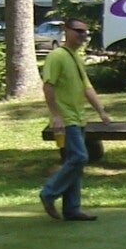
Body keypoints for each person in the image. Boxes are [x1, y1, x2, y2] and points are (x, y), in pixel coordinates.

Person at [39, 17, 113, 223]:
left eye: (85, 33)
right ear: (66, 30)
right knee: (79, 157)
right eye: (78, 31)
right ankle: (49, 193)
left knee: (75, 163)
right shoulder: (57, 56)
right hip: (65, 120)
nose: (83, 36)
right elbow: (48, 85)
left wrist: (101, 111)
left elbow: (87, 87)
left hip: (79, 118)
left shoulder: (76, 57)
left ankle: (72, 209)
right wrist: (55, 115)